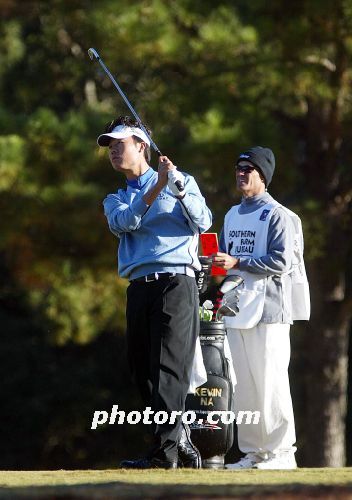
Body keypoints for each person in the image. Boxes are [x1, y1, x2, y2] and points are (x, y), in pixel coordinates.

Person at [98, 116, 212, 469]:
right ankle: (176, 441)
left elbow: (204, 221)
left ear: (141, 146)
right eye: (111, 147)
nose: (115, 152)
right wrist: (155, 187)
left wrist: (175, 186)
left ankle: (165, 455)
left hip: (176, 284)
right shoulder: (115, 198)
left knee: (168, 370)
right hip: (139, 288)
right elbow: (125, 222)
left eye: (121, 144)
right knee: (143, 372)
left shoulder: (183, 181)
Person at [213, 146, 310, 470]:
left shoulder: (277, 214)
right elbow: (226, 258)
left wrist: (238, 262)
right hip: (238, 309)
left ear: (263, 176)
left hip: (269, 310)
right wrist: (215, 264)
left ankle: (282, 453)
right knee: (245, 386)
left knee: (272, 383)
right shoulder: (231, 214)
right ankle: (254, 452)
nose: (241, 174)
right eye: (238, 168)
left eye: (248, 169)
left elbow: (282, 261)